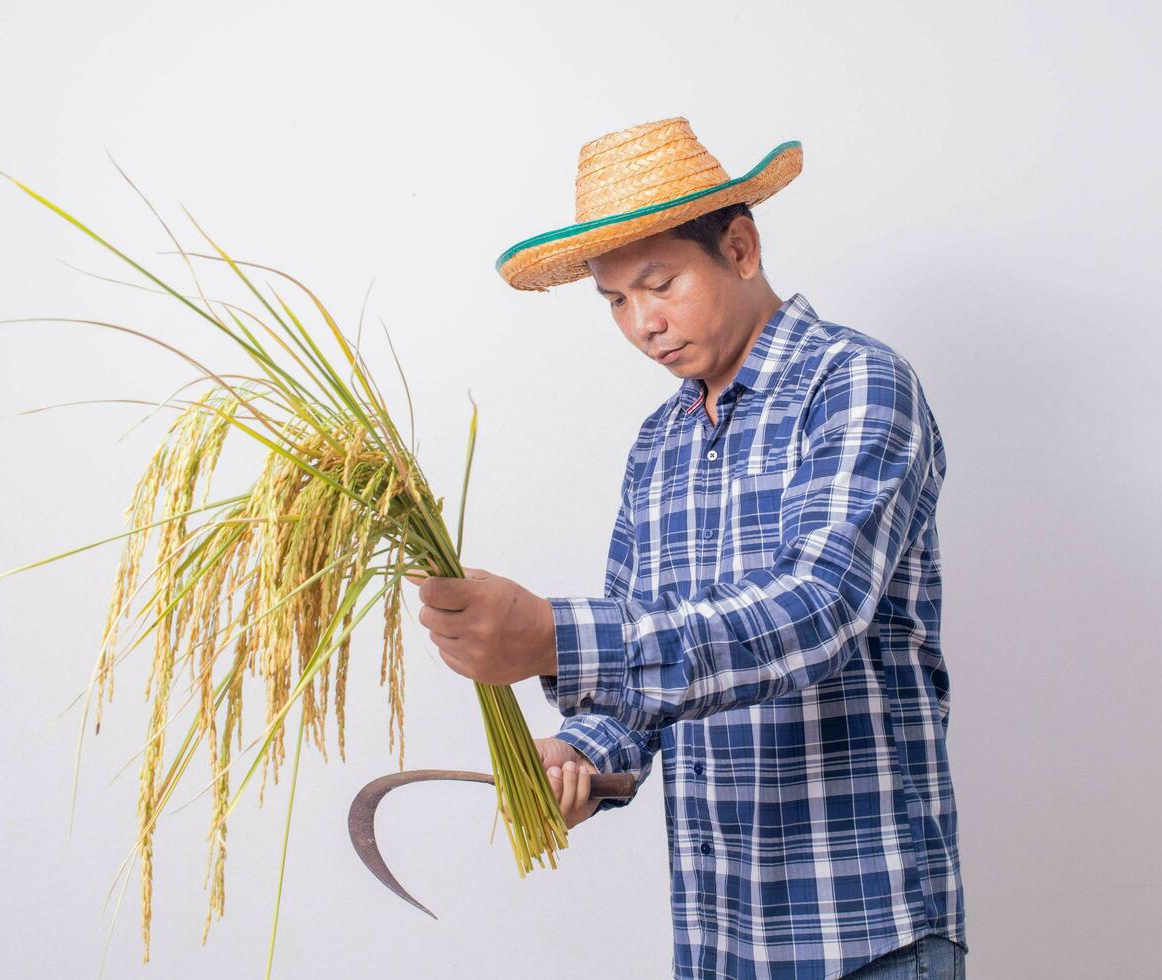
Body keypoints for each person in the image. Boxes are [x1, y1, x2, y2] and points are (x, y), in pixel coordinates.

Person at [410, 116, 966, 979]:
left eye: (660, 284)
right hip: (718, 934)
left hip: (864, 927)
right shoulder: (658, 444)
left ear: (740, 248)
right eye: (616, 303)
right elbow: (644, 675)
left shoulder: (856, 383)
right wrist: (586, 757)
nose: (643, 324)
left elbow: (814, 612)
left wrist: (553, 637)